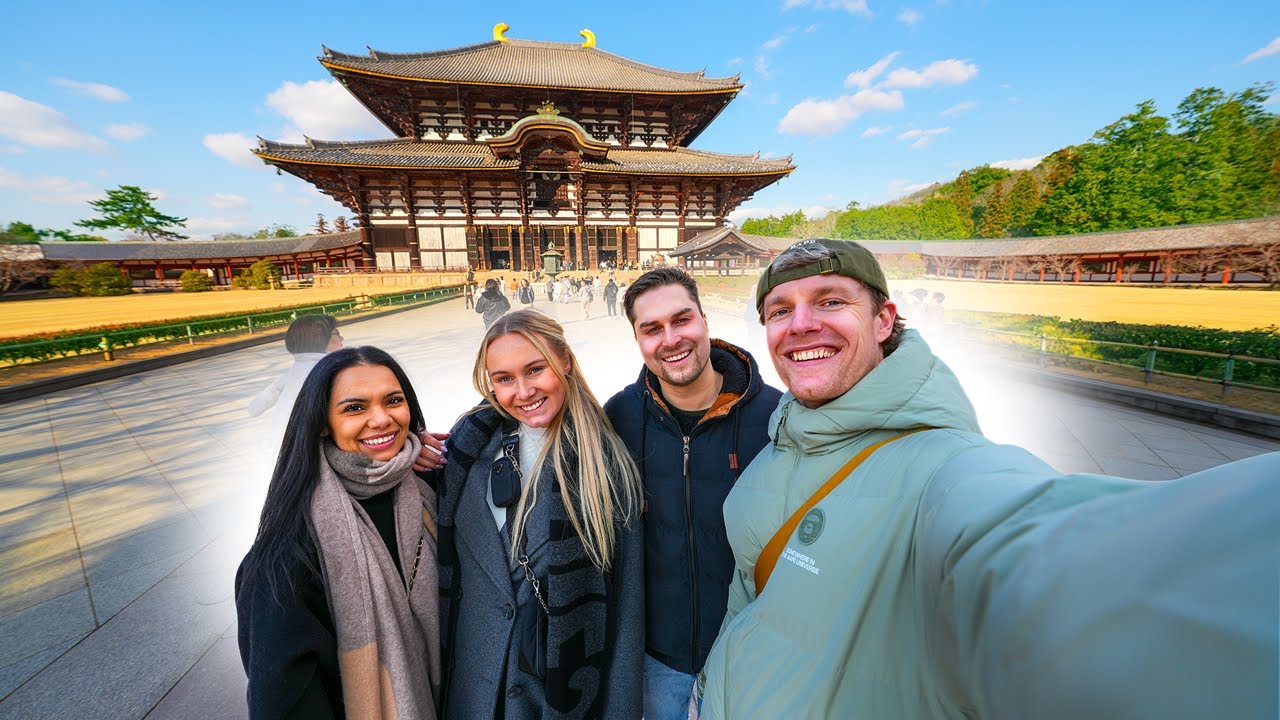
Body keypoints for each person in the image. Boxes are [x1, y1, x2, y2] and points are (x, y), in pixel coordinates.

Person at [697, 238, 1279, 719]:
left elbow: (1035, 549)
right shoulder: (776, 448)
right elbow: (749, 597)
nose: (800, 324)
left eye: (830, 302)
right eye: (779, 310)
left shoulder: (948, 467)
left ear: (883, 321)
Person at [431, 309, 645, 719]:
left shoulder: (606, 467)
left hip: (552, 695)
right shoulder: (466, 451)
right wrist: (408, 450)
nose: (523, 391)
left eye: (535, 370)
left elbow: (627, 616)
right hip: (471, 690)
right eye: (504, 379)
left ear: (563, 360)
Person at [603, 268, 781, 720]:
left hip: (755, 656)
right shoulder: (618, 418)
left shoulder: (778, 416)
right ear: (637, 340)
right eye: (652, 329)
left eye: (682, 320)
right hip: (658, 660)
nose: (671, 339)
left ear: (704, 319)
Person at [236, 346, 442, 719]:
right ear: (321, 422)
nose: (381, 419)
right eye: (354, 408)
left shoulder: (431, 491)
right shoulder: (289, 554)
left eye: (393, 401)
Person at [247, 314, 343, 456]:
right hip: (310, 447)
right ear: (320, 338)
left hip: (280, 442)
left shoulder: (292, 373)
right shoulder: (331, 370)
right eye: (337, 333)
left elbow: (256, 406)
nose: (341, 338)